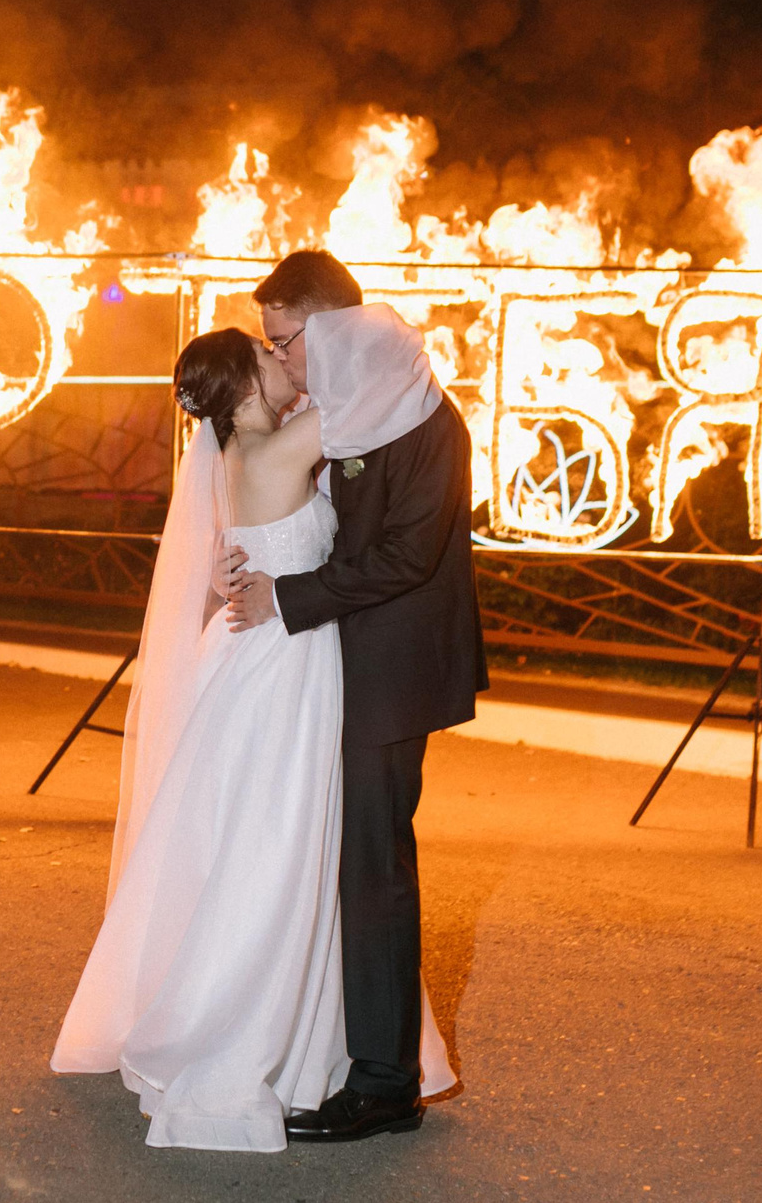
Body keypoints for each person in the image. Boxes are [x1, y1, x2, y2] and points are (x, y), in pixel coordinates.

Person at [48, 309, 454, 1152]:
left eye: (284, 345)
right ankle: (253, 1027)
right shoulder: (276, 447)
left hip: (259, 659)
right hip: (285, 671)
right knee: (282, 844)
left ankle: (271, 1018)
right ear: (238, 391)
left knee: (256, 842)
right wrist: (375, 339)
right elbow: (371, 397)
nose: (284, 362)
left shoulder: (237, 457)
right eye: (268, 356)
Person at [221, 249, 488, 1143]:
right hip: (347, 660)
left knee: (374, 866)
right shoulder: (356, 408)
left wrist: (288, 600)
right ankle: (356, 1052)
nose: (284, 361)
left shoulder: (425, 421)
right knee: (346, 859)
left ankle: (384, 1084)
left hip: (393, 671)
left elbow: (408, 557)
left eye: (285, 341)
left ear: (327, 327)